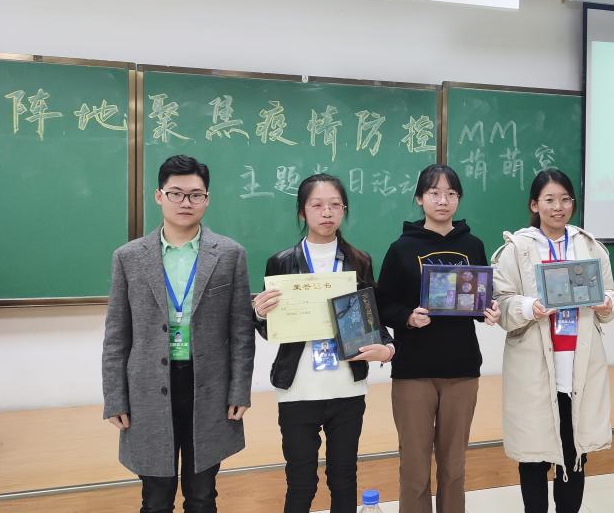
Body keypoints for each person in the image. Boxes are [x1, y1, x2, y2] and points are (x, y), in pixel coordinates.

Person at [102, 154, 255, 513]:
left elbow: (241, 331)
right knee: (156, 498)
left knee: (202, 495)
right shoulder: (128, 257)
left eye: (195, 195)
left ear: (207, 199)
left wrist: (239, 390)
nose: (186, 202)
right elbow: (116, 334)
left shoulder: (230, 254)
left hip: (209, 387)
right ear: (159, 196)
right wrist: (114, 397)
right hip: (147, 389)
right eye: (176, 193)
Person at [252, 173, 395, 513]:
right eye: (317, 205)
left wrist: (388, 349)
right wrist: (258, 313)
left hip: (346, 387)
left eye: (335, 205)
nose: (327, 212)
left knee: (344, 478)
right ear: (302, 211)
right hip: (298, 389)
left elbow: (373, 318)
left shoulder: (359, 261)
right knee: (301, 481)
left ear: (344, 210)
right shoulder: (282, 262)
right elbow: (272, 331)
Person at [491, 168, 614, 513]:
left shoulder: (588, 246)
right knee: (533, 457)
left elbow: (610, 297)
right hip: (533, 370)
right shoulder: (516, 249)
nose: (558, 207)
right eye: (549, 200)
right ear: (535, 205)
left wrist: (606, 303)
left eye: (565, 199)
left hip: (579, 368)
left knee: (575, 454)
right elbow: (502, 306)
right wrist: (528, 307)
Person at [375, 164, 500, 513]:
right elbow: (382, 305)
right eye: (434, 193)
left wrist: (490, 311)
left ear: (458, 199)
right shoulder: (401, 248)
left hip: (462, 368)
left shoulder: (473, 245)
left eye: (451, 194)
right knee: (414, 468)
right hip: (413, 371)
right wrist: (407, 317)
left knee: (454, 466)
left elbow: (479, 299)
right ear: (420, 198)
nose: (443, 201)